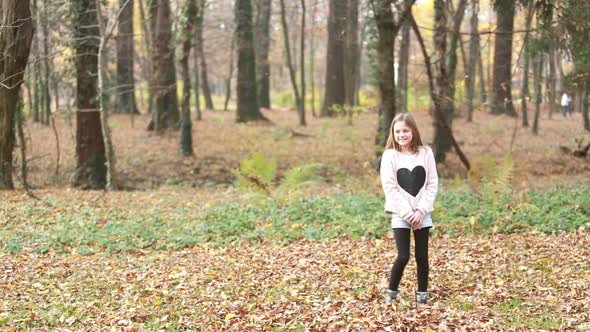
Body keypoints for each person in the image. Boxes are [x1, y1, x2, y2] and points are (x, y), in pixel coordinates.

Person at [380, 113, 438, 305]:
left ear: (413, 131)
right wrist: (408, 213)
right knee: (403, 256)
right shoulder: (390, 156)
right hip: (400, 214)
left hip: (422, 213)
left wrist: (421, 211)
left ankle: (422, 295)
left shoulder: (426, 153)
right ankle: (391, 292)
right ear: (393, 133)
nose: (401, 134)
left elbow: (432, 184)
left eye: (405, 130)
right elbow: (390, 188)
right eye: (397, 131)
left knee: (422, 256)